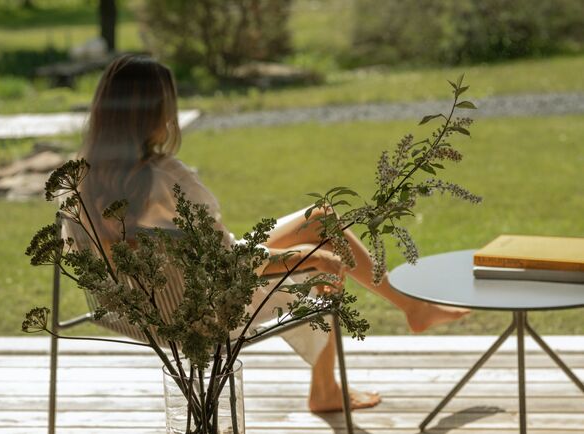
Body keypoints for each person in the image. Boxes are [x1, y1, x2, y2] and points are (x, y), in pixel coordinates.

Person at [79, 54, 469, 413]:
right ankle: (329, 386)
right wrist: (311, 257)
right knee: (324, 255)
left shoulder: (78, 181)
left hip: (133, 311)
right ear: (156, 113)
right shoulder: (168, 181)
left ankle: (408, 311)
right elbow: (231, 268)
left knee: (321, 218)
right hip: (204, 311)